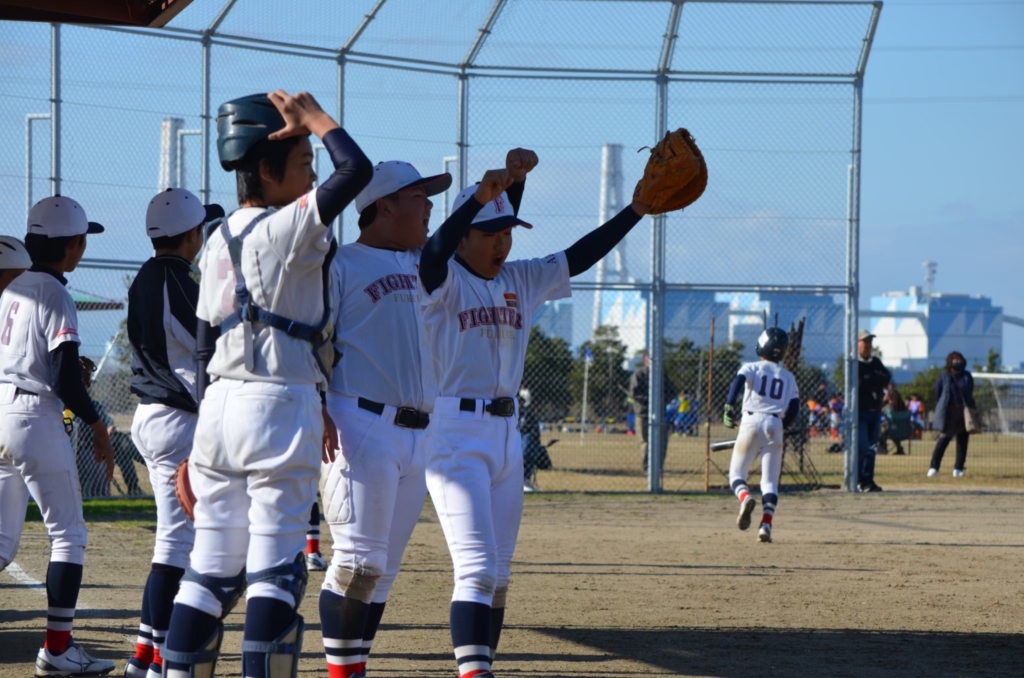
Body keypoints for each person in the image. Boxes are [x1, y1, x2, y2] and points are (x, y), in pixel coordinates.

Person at [417, 144, 686, 677]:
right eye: (490, 233)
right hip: (452, 434)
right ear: (464, 236)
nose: (503, 242)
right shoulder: (442, 282)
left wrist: (635, 210)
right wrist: (479, 200)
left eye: (509, 232)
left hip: (506, 437)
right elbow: (433, 252)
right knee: (475, 570)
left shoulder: (519, 279)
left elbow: (578, 255)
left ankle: (482, 664)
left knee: (498, 577)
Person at [159, 90, 371, 678]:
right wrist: (316, 119)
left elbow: (205, 341)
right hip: (277, 402)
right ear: (267, 171)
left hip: (219, 409)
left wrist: (202, 439)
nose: (312, 177)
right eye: (303, 164)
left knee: (209, 571)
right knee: (276, 570)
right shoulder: (286, 228)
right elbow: (356, 170)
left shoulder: (218, 236)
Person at [316, 157, 451, 678]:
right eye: (419, 196)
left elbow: (471, 238)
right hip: (357, 421)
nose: (430, 206)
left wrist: (511, 188)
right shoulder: (341, 263)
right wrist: (316, 402)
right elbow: (311, 337)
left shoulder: (423, 263)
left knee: (383, 571)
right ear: (385, 206)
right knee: (358, 563)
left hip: (418, 434)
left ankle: (355, 668)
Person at [0, 197, 116, 676]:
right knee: (69, 535)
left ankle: (59, 649)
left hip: (1, 409)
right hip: (34, 416)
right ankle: (58, 650)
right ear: (73, 244)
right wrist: (98, 426)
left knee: (1, 543)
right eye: (82, 239)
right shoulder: (55, 293)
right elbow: (67, 380)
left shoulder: (11, 289)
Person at [123, 187, 223, 678]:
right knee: (181, 546)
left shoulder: (147, 274)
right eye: (201, 227)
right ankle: (160, 657)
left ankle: (146, 656)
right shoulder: (176, 276)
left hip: (155, 413)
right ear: (191, 234)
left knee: (173, 542)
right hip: (178, 416)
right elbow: (209, 342)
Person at [722, 327, 800, 544]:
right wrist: (783, 426)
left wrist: (729, 406)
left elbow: (737, 382)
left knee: (736, 474)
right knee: (770, 482)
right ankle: (765, 525)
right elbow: (794, 408)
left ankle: (745, 497)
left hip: (751, 421)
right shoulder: (789, 376)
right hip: (775, 424)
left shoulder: (752, 367)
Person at [70, 357, 116, 497]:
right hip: (80, 448)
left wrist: (105, 435)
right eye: (84, 381)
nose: (88, 386)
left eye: (88, 382)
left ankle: (102, 495)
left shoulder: (94, 405)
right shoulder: (68, 402)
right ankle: (88, 494)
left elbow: (110, 424)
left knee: (121, 445)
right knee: (90, 458)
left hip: (95, 445)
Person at [928, 351, 976, 478]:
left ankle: (958, 468)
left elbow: (970, 392)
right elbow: (938, 393)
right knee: (943, 440)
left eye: (960, 359)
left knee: (962, 441)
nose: (958, 362)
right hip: (949, 412)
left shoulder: (967, 376)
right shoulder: (944, 376)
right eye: (955, 360)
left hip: (963, 412)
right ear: (950, 362)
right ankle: (933, 467)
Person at [628, 351, 678, 473]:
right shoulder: (639, 374)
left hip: (659, 414)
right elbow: (634, 394)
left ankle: (659, 467)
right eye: (651, 359)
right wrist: (650, 400)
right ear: (645, 361)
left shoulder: (662, 375)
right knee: (645, 442)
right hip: (643, 414)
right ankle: (648, 468)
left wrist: (661, 401)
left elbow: (672, 392)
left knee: (662, 442)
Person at [856, 329, 891, 492]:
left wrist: (871, 379)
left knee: (872, 447)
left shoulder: (875, 362)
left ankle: (868, 480)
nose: (868, 345)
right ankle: (859, 479)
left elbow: (886, 378)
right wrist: (874, 380)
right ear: (857, 343)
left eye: (870, 341)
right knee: (863, 448)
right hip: (860, 411)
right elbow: (860, 383)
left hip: (875, 411)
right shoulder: (854, 363)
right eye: (865, 341)